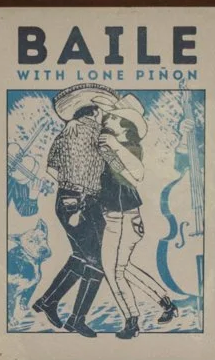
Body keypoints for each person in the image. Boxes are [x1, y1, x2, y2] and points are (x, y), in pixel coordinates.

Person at [31, 87, 115, 336]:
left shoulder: (64, 133)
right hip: (87, 202)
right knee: (99, 262)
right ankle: (76, 319)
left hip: (65, 200)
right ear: (97, 111)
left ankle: (48, 301)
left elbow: (51, 171)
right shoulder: (100, 134)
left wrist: (72, 184)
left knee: (81, 256)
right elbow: (112, 171)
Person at [98, 101, 179, 339]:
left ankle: (131, 322)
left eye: (111, 117)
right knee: (122, 268)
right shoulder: (113, 146)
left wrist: (113, 146)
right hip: (120, 217)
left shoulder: (130, 146)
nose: (106, 119)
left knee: (113, 272)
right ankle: (165, 302)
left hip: (121, 218)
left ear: (124, 124)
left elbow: (137, 175)